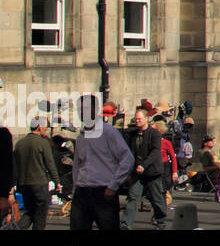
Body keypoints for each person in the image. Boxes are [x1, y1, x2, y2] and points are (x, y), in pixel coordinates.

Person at [70, 99, 133, 230]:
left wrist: (113, 186)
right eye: (80, 109)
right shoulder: (81, 137)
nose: (82, 113)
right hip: (82, 192)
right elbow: (77, 165)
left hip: (103, 191)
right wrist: (75, 188)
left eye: (86, 109)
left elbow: (127, 159)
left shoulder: (108, 132)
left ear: (95, 110)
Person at [122, 109, 167, 230]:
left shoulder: (154, 134)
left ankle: (160, 221)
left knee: (156, 198)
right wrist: (129, 171)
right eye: (136, 119)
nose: (137, 121)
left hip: (152, 171)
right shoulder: (132, 134)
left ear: (146, 119)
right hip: (137, 172)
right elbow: (129, 153)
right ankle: (126, 224)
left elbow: (155, 152)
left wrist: (144, 165)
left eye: (139, 119)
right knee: (133, 197)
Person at [13, 116, 60, 230]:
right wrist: (57, 182)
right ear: (39, 127)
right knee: (40, 216)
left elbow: (15, 165)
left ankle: (14, 228)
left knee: (30, 212)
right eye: (45, 127)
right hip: (39, 184)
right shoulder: (43, 143)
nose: (46, 129)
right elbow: (50, 164)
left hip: (24, 184)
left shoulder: (19, 143)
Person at [153, 120, 178, 203]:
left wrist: (174, 172)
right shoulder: (150, 142)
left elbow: (173, 157)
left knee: (163, 188)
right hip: (153, 166)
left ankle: (165, 201)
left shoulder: (166, 143)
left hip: (164, 167)